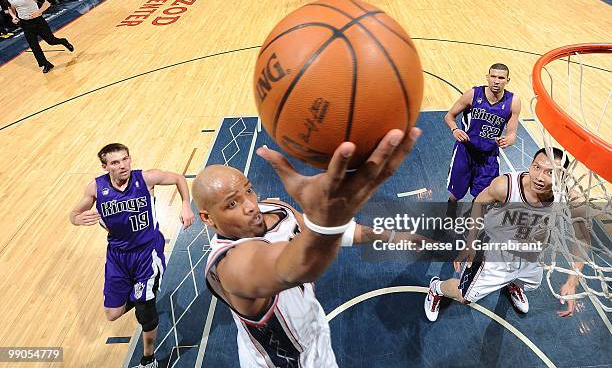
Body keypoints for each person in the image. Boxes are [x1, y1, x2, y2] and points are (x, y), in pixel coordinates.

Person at [194, 128, 421, 367]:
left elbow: (319, 234)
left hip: (314, 331)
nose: (251, 206)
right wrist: (328, 217)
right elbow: (296, 266)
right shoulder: (230, 266)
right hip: (284, 362)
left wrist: (392, 236)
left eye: (248, 190)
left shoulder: (275, 209)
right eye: (232, 203)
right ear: (207, 217)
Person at [424, 147, 588, 321]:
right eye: (536, 167)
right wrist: (471, 241)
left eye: (550, 172)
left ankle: (514, 285)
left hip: (531, 255)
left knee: (527, 282)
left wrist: (573, 281)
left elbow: (582, 239)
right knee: (464, 297)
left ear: (562, 176)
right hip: (494, 253)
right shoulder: (506, 186)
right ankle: (437, 288)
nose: (539, 177)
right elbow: (479, 202)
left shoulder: (572, 199)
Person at [69, 143, 195, 368]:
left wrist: (186, 204)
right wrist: (78, 219)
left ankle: (148, 360)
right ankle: (142, 297)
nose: (122, 165)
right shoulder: (96, 189)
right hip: (117, 256)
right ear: (105, 166)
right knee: (112, 313)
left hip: (147, 253)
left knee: (146, 311)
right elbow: (74, 214)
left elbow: (178, 178)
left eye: (125, 159)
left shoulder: (145, 179)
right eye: (115, 162)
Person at [445, 63, 521, 219]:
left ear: (508, 80)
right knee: (455, 193)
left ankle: (470, 218)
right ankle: (450, 211)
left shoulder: (513, 102)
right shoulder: (472, 94)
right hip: (465, 151)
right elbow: (449, 116)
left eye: (501, 78)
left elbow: (512, 134)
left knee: (483, 196)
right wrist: (455, 129)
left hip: (488, 156)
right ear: (487, 77)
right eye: (493, 76)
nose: (496, 81)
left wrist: (508, 141)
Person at [5, 0, 74, 73]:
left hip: (38, 21)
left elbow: (47, 4)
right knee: (34, 46)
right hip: (25, 24)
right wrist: (14, 17)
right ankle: (46, 64)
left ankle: (64, 41)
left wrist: (38, 12)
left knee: (51, 41)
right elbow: (11, 8)